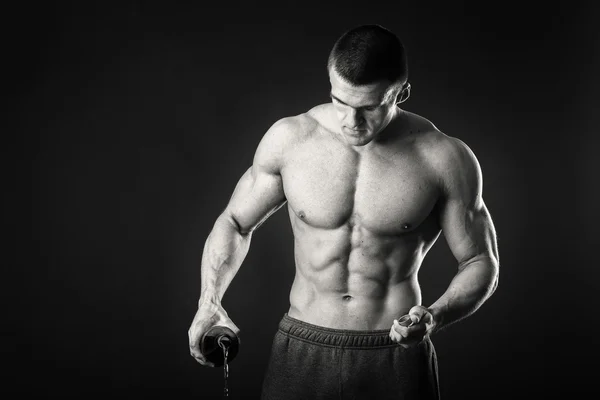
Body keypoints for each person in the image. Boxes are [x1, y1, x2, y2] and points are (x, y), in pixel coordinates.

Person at [188, 24, 499, 400]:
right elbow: (234, 223)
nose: (351, 122)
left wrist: (434, 316)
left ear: (401, 92)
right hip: (303, 345)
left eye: (368, 107)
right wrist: (209, 301)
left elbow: (481, 260)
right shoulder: (291, 139)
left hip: (395, 353)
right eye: (340, 102)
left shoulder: (444, 158)